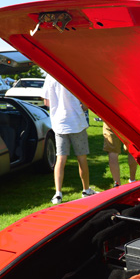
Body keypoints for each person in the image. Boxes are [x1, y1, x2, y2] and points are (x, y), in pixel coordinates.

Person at [42, 74, 93, 204]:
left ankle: (58, 194)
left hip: (60, 124)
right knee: (82, 158)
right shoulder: (73, 73)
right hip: (77, 123)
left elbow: (46, 102)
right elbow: (85, 104)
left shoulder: (49, 76)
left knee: (60, 159)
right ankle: (86, 190)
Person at [103, 120, 137, 186]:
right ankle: (132, 180)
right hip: (128, 120)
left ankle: (117, 184)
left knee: (113, 152)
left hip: (111, 119)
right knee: (132, 149)